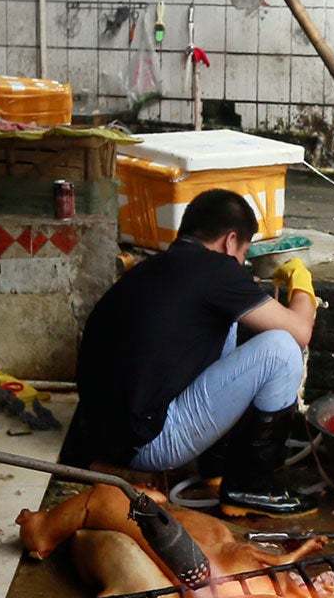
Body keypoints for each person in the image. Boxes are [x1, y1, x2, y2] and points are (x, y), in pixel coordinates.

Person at [62, 191, 319, 517]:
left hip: (104, 437)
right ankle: (251, 487)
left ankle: (216, 466)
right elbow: (300, 333)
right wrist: (302, 282)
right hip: (149, 443)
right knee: (281, 349)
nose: (241, 262)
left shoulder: (151, 269)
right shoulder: (219, 271)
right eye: (243, 252)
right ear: (230, 241)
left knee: (227, 320)